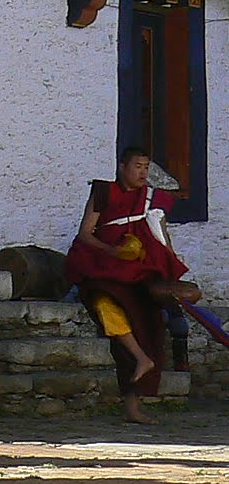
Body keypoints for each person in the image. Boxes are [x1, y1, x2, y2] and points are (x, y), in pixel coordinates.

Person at [63, 146, 188, 424]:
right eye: (137, 166)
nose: (143, 172)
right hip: (103, 268)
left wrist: (170, 265)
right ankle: (140, 359)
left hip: (140, 269)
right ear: (122, 167)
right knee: (105, 305)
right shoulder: (104, 192)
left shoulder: (152, 199)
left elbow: (162, 235)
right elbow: (85, 233)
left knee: (148, 326)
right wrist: (110, 251)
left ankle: (134, 406)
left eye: (146, 167)